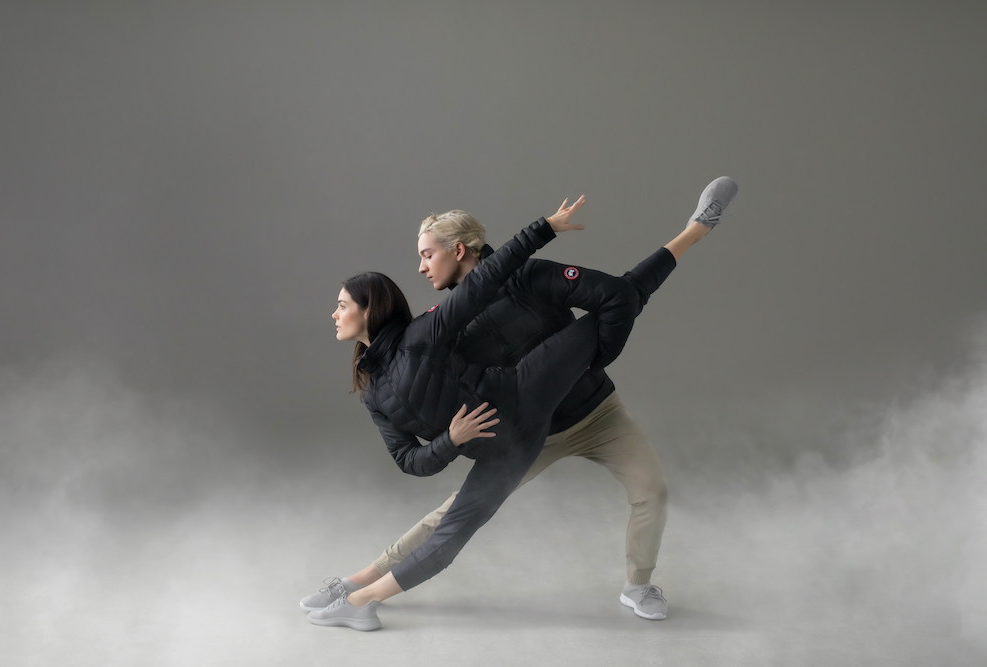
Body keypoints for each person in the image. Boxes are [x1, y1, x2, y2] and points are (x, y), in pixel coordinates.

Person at [309, 178, 738, 631]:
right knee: (449, 516)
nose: (420, 268)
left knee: (653, 490)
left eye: (427, 254)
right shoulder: (447, 325)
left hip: (597, 413)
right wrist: (451, 440)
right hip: (530, 432)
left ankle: (638, 585)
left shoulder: (530, 278)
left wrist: (592, 360)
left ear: (459, 250)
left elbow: (622, 295)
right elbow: (431, 388)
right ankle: (357, 583)